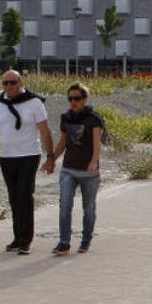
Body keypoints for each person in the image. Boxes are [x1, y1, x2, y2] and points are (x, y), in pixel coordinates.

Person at [0, 70, 52, 255]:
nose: (8, 86)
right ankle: (17, 237)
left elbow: (45, 130)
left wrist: (50, 157)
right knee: (14, 198)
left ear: (20, 82)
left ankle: (26, 240)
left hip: (29, 155)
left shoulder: (34, 102)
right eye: (5, 83)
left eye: (12, 82)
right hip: (7, 157)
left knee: (24, 195)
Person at [43, 82, 103, 255]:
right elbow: (62, 142)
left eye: (76, 98)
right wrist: (51, 160)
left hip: (89, 173)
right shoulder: (66, 117)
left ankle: (86, 240)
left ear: (85, 99)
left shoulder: (94, 119)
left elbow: (97, 144)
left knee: (88, 209)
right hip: (68, 170)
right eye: (70, 99)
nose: (73, 102)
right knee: (65, 206)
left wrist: (93, 162)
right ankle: (64, 243)